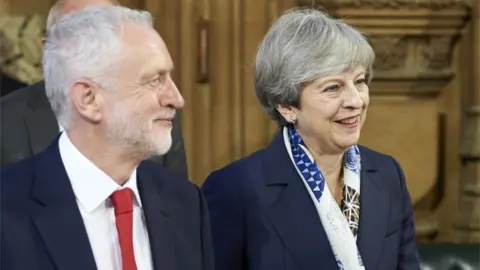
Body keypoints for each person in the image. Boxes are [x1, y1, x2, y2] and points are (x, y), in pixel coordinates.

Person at [202, 8, 420, 270]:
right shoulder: (236, 189)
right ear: (287, 106)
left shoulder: (387, 174)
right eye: (333, 87)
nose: (355, 101)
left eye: (359, 82)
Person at [1, 6, 213, 270]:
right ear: (88, 99)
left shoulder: (185, 203)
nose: (176, 98)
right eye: (153, 81)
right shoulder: (8, 207)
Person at [0, 0, 188, 178]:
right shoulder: (6, 122)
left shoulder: (158, 114)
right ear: (49, 49)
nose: (99, 49)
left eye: (111, 34)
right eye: (84, 36)